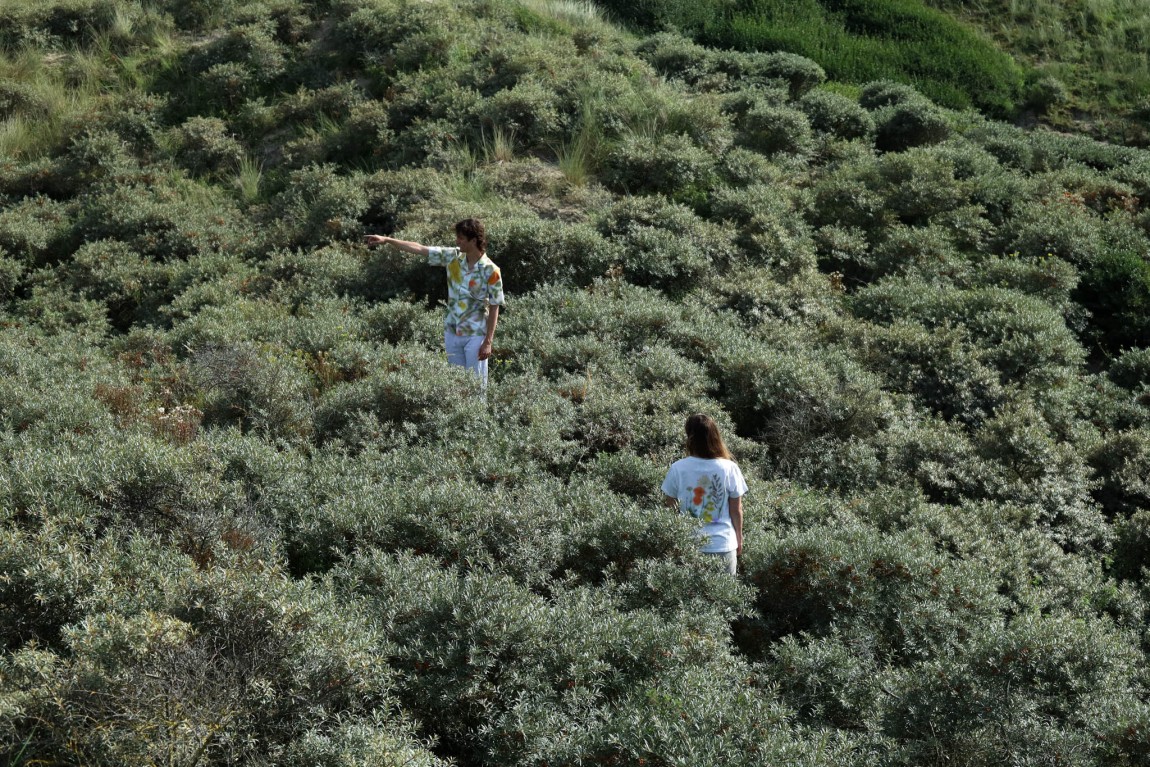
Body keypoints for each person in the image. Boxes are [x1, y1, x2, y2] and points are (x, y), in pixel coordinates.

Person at [365, 218, 504, 388]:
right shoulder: (453, 257)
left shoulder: (492, 271)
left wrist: (488, 342)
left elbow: (495, 306)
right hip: (452, 332)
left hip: (475, 336)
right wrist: (388, 240)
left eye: (461, 238)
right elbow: (420, 248)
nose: (456, 241)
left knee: (476, 388)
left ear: (473, 240)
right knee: (456, 387)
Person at [661, 414, 747, 575]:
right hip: (723, 544)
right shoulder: (729, 468)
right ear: (715, 436)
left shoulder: (678, 468)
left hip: (688, 546)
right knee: (723, 598)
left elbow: (670, 510)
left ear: (689, 437)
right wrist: (739, 539)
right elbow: (736, 510)